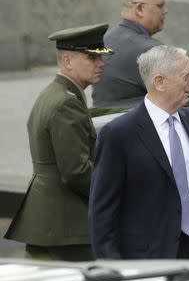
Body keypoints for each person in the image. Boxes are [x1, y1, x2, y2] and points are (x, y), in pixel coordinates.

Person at [89, 45, 189, 260]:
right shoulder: (119, 134)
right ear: (160, 82)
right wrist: (112, 269)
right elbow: (102, 213)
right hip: (150, 258)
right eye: (186, 76)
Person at [4, 24, 113, 261]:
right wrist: (114, 189)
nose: (100, 63)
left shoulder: (56, 93)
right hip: (65, 223)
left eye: (101, 57)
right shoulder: (66, 102)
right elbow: (76, 172)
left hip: (53, 221)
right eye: (92, 57)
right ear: (67, 60)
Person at [92, 0, 168, 108]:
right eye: (160, 6)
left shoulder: (103, 40)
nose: (165, 10)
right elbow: (175, 98)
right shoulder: (152, 51)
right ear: (139, 9)